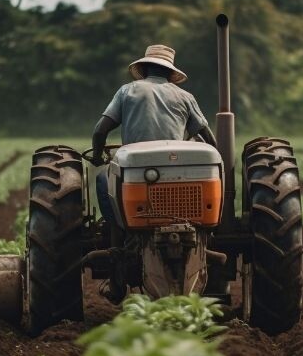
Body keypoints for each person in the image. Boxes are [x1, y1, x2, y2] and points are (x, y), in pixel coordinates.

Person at [89, 44, 217, 224]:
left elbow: (100, 131)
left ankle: (116, 230)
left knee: (103, 179)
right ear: (170, 73)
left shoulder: (127, 91)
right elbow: (208, 137)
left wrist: (96, 157)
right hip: (177, 167)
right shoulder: (185, 96)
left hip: (135, 166)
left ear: (144, 68)